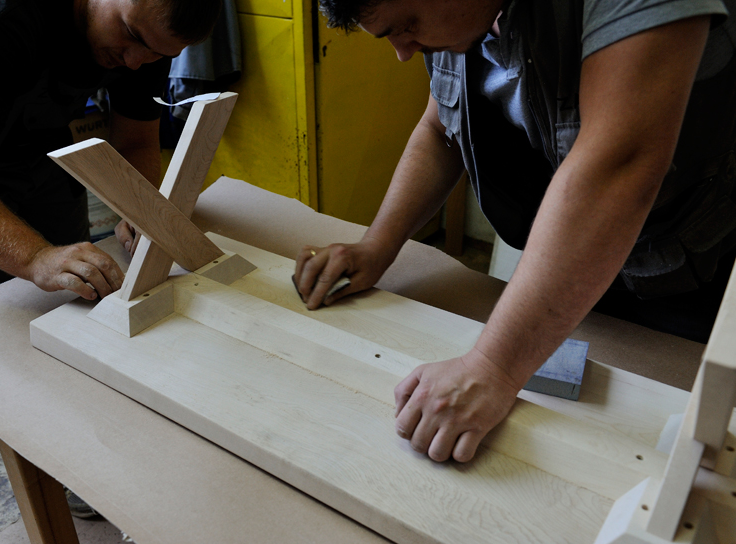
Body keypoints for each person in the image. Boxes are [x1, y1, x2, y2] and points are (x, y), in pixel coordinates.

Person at [294, 0, 736, 464]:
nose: (404, 52)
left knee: (673, 450)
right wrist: (377, 245)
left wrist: (492, 366)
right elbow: (440, 130)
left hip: (694, 263)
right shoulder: (457, 20)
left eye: (407, 26)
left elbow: (619, 164)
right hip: (576, 263)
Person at [0, 0, 222, 311]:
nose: (134, 62)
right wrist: (35, 257)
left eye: (160, 55)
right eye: (130, 34)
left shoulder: (151, 32)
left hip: (43, 142)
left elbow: (135, 141)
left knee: (77, 284)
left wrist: (140, 208)